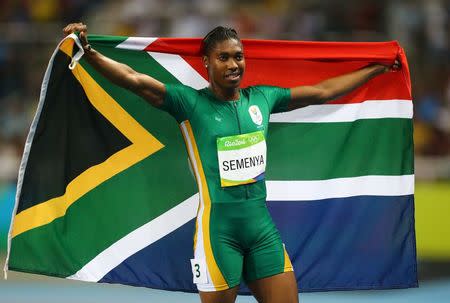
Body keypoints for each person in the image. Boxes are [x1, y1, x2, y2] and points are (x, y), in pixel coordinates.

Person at [63, 23, 400, 303]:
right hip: (217, 233)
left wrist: (375, 68)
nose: (233, 64)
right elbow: (132, 79)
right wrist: (88, 51)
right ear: (206, 63)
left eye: (238, 56)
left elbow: (323, 91)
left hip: (261, 230)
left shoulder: (264, 98)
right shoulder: (189, 103)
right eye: (223, 57)